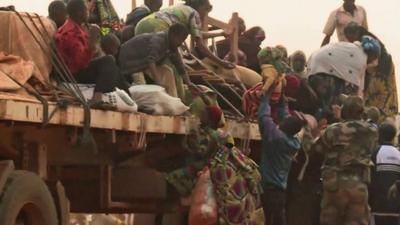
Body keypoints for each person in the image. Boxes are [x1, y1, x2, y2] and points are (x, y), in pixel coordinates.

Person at [312, 96, 378, 225]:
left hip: (334, 184)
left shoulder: (333, 130)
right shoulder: (372, 131)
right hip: (359, 184)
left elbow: (318, 150)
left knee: (330, 221)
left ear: (344, 111)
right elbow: (366, 123)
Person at [55, 0, 129, 107]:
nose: (88, 12)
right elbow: (79, 64)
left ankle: (131, 100)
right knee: (108, 60)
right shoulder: (70, 32)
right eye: (86, 10)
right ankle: (96, 98)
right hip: (72, 75)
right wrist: (92, 43)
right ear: (80, 12)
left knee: (114, 69)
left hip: (78, 70)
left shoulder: (79, 27)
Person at [135, 0, 234, 70]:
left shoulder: (180, 8)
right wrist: (221, 63)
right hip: (158, 27)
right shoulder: (194, 13)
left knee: (149, 60)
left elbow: (198, 35)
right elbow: (201, 45)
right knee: (174, 66)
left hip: (141, 25)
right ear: (199, 6)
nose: (205, 15)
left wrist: (219, 34)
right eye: (205, 10)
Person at [258, 87, 305, 225]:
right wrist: (283, 104)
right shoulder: (293, 142)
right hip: (279, 192)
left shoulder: (276, 138)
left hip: (269, 191)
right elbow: (285, 119)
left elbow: (264, 119)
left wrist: (265, 98)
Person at [119, 23, 194, 99]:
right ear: (173, 35)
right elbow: (151, 60)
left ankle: (172, 99)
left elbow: (180, 66)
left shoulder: (172, 46)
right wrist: (158, 81)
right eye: (180, 39)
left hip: (142, 65)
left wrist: (189, 83)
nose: (181, 43)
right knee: (141, 88)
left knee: (167, 70)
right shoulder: (159, 39)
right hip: (128, 64)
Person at [344, 22, 398, 115]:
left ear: (355, 33)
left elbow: (368, 61)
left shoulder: (366, 41)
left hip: (382, 67)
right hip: (377, 66)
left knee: (380, 91)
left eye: (349, 36)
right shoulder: (362, 39)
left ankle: (380, 114)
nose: (348, 39)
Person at [369, 123, 400, 225]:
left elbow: (369, 177)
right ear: (393, 137)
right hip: (396, 207)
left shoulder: (374, 153)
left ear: (378, 135)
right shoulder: (398, 154)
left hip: (377, 206)